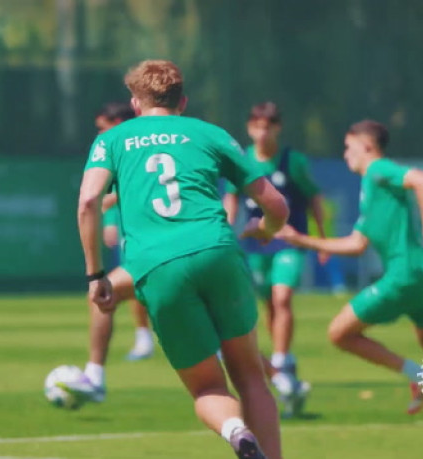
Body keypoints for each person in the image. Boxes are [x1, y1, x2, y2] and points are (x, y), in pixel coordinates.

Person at [246, 119, 423, 424]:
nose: (345, 155)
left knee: (340, 334)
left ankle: (419, 376)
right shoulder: (371, 185)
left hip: (405, 274)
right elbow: (356, 244)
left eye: (348, 147)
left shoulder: (379, 169)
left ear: (367, 147)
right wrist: (300, 239)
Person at [77, 60, 289, 459]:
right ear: (183, 101)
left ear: (135, 103)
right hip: (218, 252)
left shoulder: (113, 139)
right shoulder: (211, 134)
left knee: (208, 387)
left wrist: (96, 274)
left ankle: (236, 430)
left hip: (158, 267)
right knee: (252, 378)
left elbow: (88, 201)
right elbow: (275, 203)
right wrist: (268, 229)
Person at [223, 102, 326, 417]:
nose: (262, 131)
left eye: (268, 125)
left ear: (277, 128)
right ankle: (285, 366)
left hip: (288, 242)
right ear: (250, 128)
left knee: (282, 299)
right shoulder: (242, 161)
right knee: (268, 303)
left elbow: (313, 198)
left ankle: (280, 359)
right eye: (257, 125)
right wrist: (228, 229)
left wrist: (321, 239)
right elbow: (232, 196)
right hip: (255, 246)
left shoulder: (291, 161)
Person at [82, 102, 155, 402]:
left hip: (156, 247)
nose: (99, 134)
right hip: (191, 248)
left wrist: (108, 203)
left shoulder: (126, 148)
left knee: (102, 293)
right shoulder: (161, 141)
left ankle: (95, 376)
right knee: (223, 336)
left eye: (102, 127)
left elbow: (94, 199)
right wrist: (111, 216)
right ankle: (281, 380)